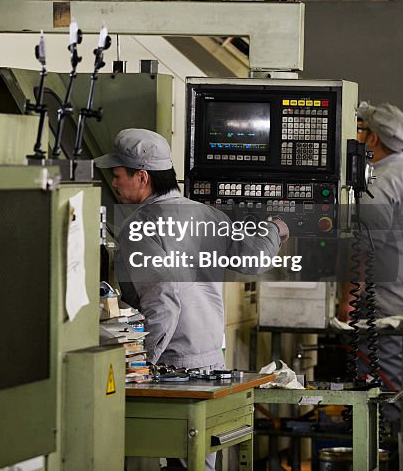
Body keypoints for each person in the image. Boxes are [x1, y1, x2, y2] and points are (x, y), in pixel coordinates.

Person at [96, 128, 289, 470]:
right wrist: (275, 229)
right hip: (212, 357)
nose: (114, 184)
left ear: (142, 177)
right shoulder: (208, 215)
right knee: (199, 461)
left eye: (118, 176)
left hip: (172, 363)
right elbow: (254, 259)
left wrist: (139, 367)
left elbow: (163, 301)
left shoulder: (141, 227)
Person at [343, 101, 403, 426]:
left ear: (372, 140)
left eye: (360, 129)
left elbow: (365, 247)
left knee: (381, 411)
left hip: (387, 314)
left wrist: (348, 303)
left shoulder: (381, 180)